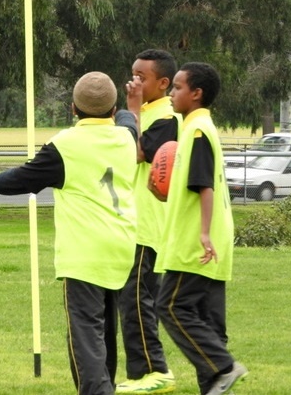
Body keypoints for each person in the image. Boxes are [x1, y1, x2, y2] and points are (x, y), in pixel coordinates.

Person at [0, 71, 142, 395]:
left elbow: (22, 179)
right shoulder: (125, 138)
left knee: (85, 336)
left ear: (73, 109)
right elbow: (128, 120)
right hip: (121, 248)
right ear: (112, 108)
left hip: (84, 254)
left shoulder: (65, 145)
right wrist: (129, 107)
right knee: (105, 333)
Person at [154, 63, 248, 395]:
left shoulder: (197, 131)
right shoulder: (197, 127)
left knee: (170, 306)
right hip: (211, 239)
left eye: (177, 87)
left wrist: (204, 234)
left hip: (196, 241)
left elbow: (204, 186)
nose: (170, 93)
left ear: (197, 94)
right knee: (208, 321)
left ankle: (223, 367)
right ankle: (217, 382)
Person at [116, 50, 181, 394]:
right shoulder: (140, 113)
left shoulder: (166, 117)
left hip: (147, 225)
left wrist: (133, 107)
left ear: (163, 83)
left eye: (142, 77)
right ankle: (141, 371)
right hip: (128, 221)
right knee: (132, 300)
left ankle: (154, 371)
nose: (134, 81)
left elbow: (138, 152)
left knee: (136, 299)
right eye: (132, 74)